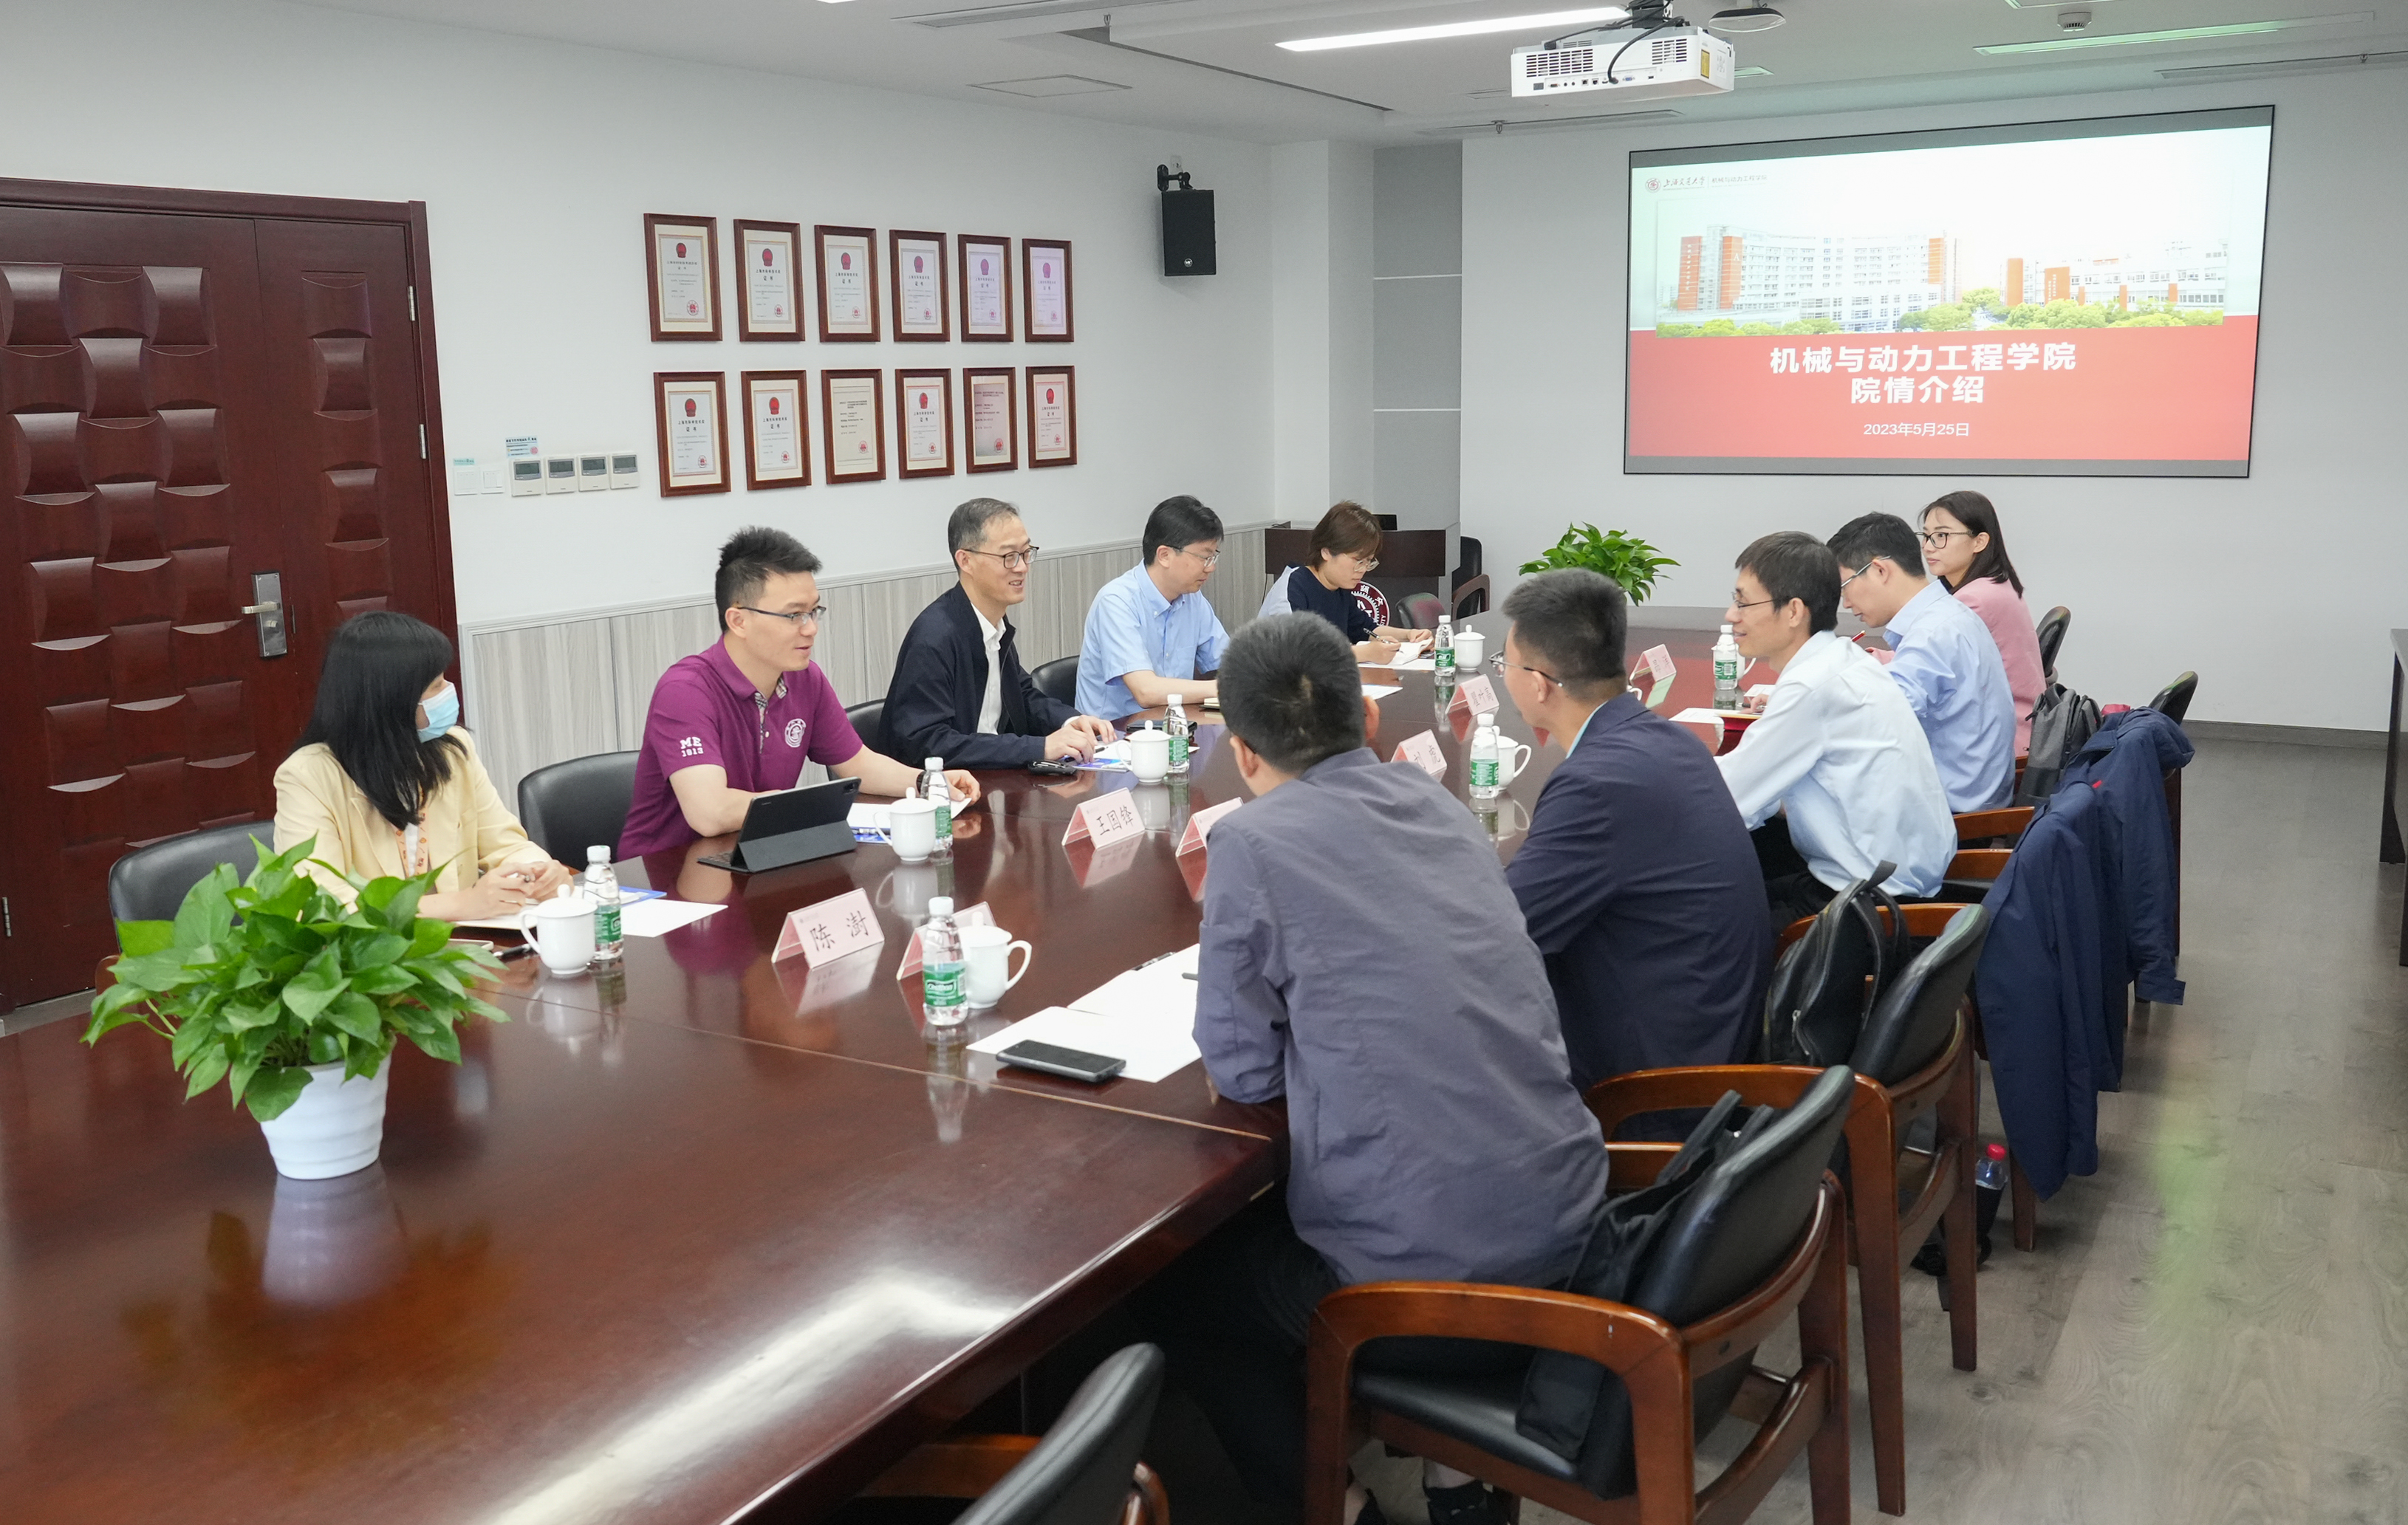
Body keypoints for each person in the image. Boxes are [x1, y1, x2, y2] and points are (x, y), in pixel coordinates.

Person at [1144, 613, 1607, 1525]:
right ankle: (1454, 1473)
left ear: (1241, 752)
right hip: (1572, 1228)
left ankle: (1340, 1506)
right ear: (1365, 720)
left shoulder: (1252, 843)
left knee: (1180, 1285)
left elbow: (1242, 1071)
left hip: (1432, 1296)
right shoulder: (1438, 803)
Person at [1497, 570, 1771, 1089]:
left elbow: (1505, 932)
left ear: (1537, 682)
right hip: (1713, 1025)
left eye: (1504, 664)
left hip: (1658, 1079)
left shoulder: (1597, 785)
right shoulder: (1669, 738)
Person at [618, 527, 980, 860]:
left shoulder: (805, 679)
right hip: (667, 877)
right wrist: (802, 807)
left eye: (814, 612)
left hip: (757, 856)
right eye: (794, 616)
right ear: (739, 621)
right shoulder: (685, 691)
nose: (811, 629)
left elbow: (858, 764)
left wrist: (927, 782)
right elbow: (710, 813)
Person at [1717, 532, 1954, 931]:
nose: (1731, 615)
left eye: (1743, 602)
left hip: (1871, 904)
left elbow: (1730, 797)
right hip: (1893, 876)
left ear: (1794, 611)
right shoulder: (1842, 658)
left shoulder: (1813, 685)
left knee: (1701, 918)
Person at [273, 610, 574, 917]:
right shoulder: (307, 776)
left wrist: (539, 871)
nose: (449, 691)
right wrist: (462, 904)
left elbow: (505, 844)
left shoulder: (453, 751)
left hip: (468, 938)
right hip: (371, 947)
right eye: (436, 685)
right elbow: (318, 905)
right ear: (392, 700)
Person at [878, 497, 1118, 767]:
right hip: (942, 786)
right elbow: (927, 742)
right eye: (1008, 557)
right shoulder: (934, 637)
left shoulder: (992, 622)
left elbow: (1022, 696)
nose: (1022, 567)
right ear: (966, 560)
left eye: (1026, 553)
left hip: (991, 777)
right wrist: (1038, 747)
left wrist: (1070, 721)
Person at [1827, 512, 2017, 812]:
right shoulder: (1944, 615)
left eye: (1844, 586)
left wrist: (1802, 703)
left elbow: (1877, 721)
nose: (1846, 603)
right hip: (1967, 790)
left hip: (1951, 810)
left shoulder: (1933, 633)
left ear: (1879, 570)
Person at [1076, 495, 1230, 720]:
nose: (1211, 568)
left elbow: (1230, 663)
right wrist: (1221, 689)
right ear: (1165, 555)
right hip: (1114, 734)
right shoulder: (1116, 601)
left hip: (1174, 728)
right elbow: (1146, 691)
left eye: (1213, 558)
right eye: (1204, 558)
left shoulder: (1193, 600)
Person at [1920, 490, 2045, 755]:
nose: (1928, 547)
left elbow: (1927, 668)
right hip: (2017, 727)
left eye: (1942, 536)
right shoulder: (1993, 585)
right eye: (1927, 536)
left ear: (1979, 542)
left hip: (2001, 739)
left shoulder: (1975, 599)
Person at [1257, 501, 1432, 663]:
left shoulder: (1340, 589)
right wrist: (1366, 653)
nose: (1363, 569)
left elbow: (1367, 629)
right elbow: (1299, 653)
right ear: (1327, 552)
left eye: (1368, 561)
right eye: (1357, 560)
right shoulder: (1293, 587)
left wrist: (1409, 635)